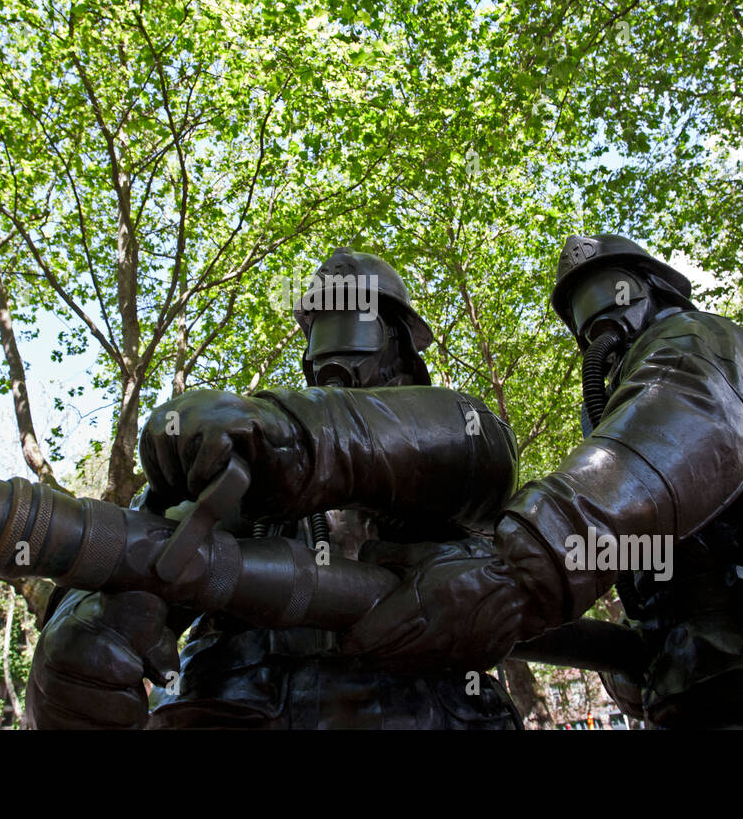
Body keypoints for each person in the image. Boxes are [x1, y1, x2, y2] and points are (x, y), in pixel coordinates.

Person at [339, 233, 743, 728]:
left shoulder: (703, 343)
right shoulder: (617, 432)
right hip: (702, 693)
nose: (597, 325)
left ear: (652, 288)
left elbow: (687, 425)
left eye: (607, 296)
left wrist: (511, 575)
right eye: (581, 315)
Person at [26, 247, 522, 728]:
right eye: (324, 328)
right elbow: (125, 555)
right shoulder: (242, 464)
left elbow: (471, 445)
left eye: (356, 325)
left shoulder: (460, 443)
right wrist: (72, 660)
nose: (333, 357)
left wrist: (289, 433)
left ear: (402, 349)